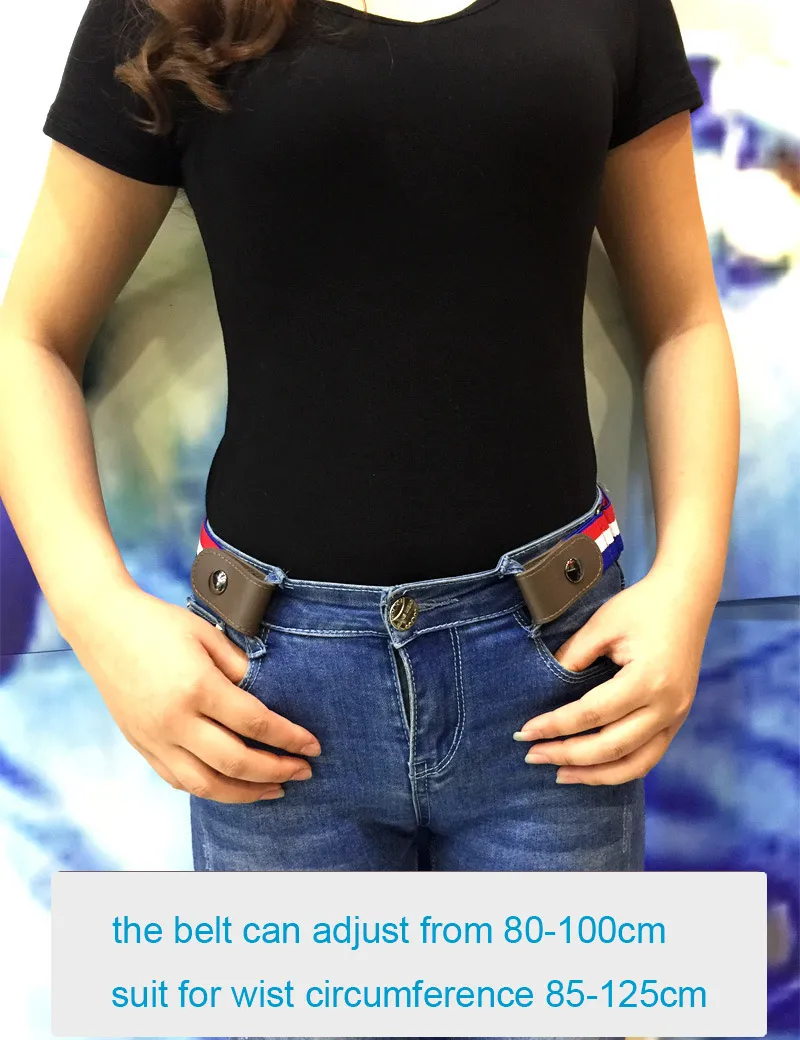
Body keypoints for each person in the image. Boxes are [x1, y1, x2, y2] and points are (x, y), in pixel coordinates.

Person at [0, 0, 738, 1034]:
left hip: (555, 684)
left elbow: (685, 321)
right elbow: (28, 339)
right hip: (270, 698)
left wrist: (688, 584)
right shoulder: (169, 7)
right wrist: (98, 615)